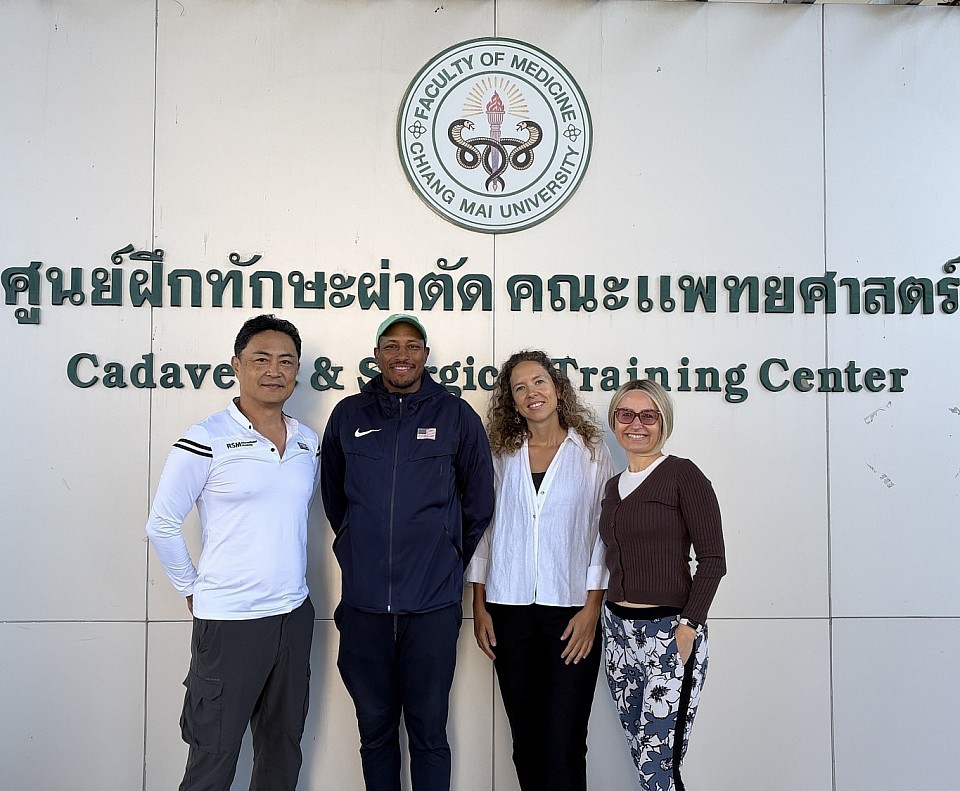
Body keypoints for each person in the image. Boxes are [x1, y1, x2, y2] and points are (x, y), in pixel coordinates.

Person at [320, 313, 495, 791]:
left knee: (429, 735)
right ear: (377, 355)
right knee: (375, 734)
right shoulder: (349, 415)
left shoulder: (455, 415)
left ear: (425, 355)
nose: (402, 355)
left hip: (432, 608)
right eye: (392, 345)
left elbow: (479, 502)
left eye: (412, 346)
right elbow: (334, 496)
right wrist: (356, 541)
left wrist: (447, 553)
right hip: (364, 607)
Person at [145, 314, 320, 791]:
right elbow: (161, 524)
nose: (274, 370)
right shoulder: (206, 438)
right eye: (260, 359)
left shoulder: (307, 441)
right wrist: (192, 589)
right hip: (230, 621)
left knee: (282, 750)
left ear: (296, 370)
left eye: (286, 361)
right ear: (236, 366)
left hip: (293, 614)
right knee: (213, 759)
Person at [467, 350, 614, 791]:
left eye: (539, 382)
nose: (531, 393)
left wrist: (592, 610)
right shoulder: (500, 454)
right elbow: (485, 528)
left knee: (564, 743)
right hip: (508, 611)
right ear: (511, 401)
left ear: (557, 389)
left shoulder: (591, 452)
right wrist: (479, 605)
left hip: (571, 613)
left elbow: (603, 532)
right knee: (526, 742)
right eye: (520, 388)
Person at [600, 379, 726, 791]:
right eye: (626, 414)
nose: (636, 424)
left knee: (659, 767)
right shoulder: (613, 487)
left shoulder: (682, 475)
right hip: (618, 634)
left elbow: (713, 560)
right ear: (614, 421)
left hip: (669, 633)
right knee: (642, 754)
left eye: (648, 415)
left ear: (663, 422)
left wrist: (689, 626)